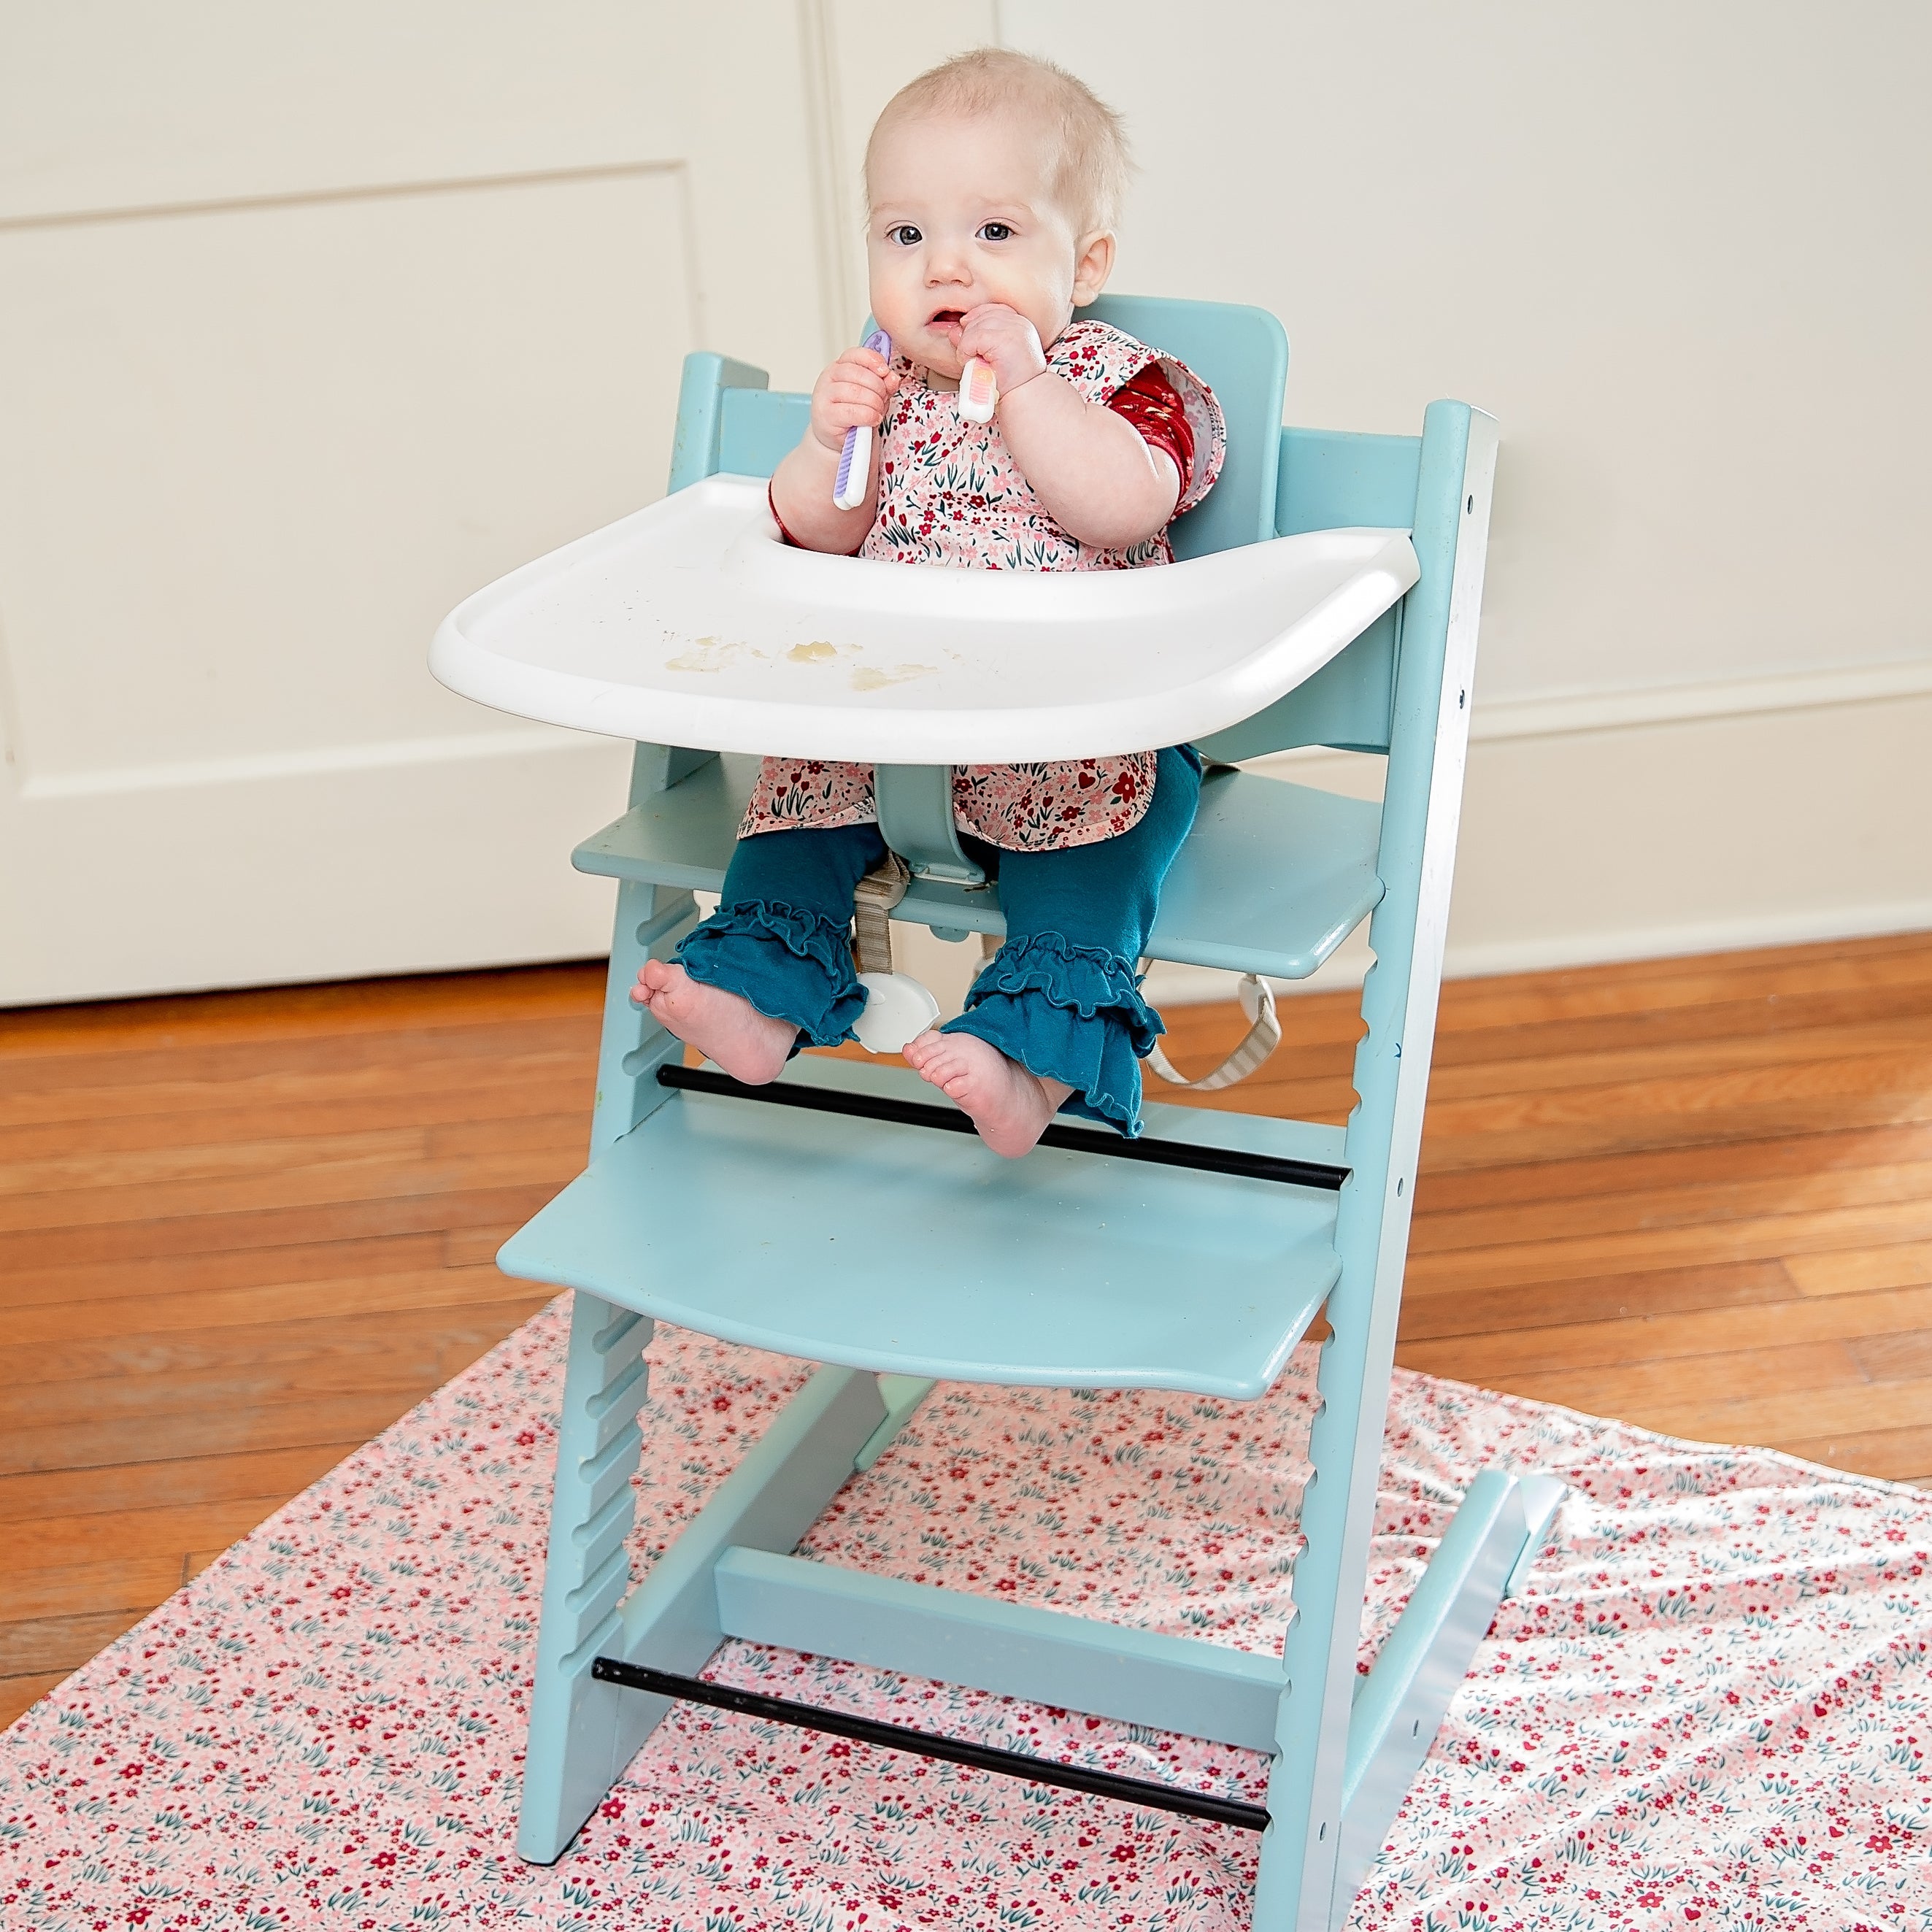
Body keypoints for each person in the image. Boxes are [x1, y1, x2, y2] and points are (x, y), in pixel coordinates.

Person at [633, 47, 1224, 1157]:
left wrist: (1032, 387)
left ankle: (1025, 1068)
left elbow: (1122, 511)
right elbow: (816, 535)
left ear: (1084, 262)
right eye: (907, 237)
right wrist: (826, 444)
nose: (947, 268)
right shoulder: (886, 391)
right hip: (893, 720)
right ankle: (758, 1000)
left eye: (994, 235)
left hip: (1077, 733)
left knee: (1085, 887)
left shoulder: (1112, 379)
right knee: (796, 811)